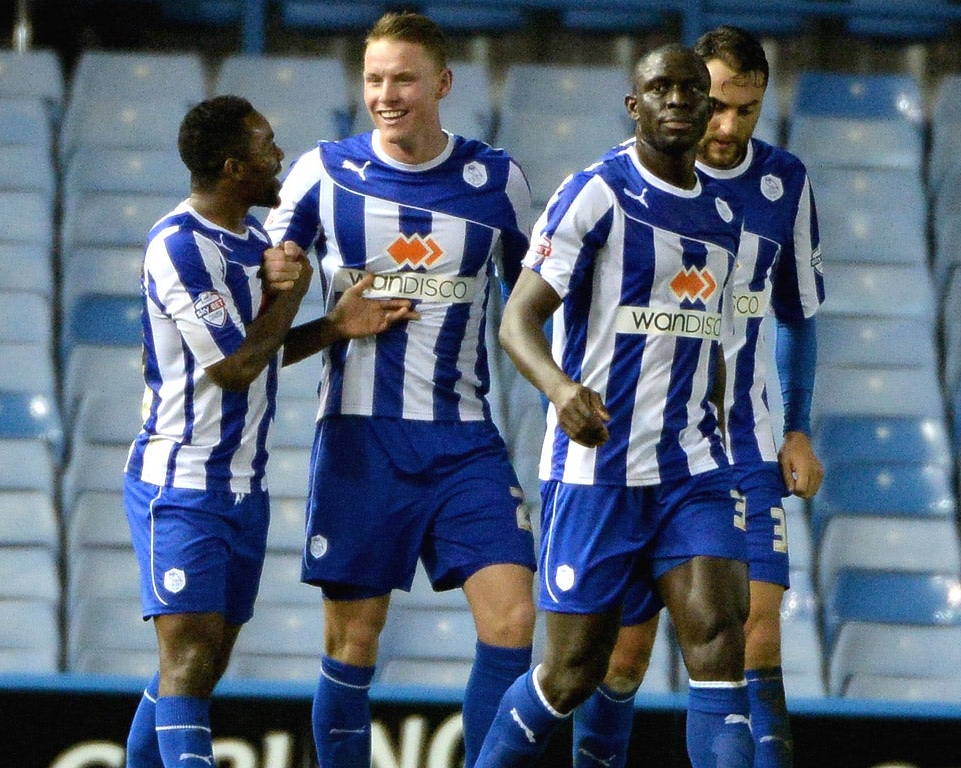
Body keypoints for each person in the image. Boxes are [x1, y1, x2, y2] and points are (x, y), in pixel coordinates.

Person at [262, 12, 538, 768]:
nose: (386, 95)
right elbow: (260, 337)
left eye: (404, 78)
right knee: (354, 640)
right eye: (375, 79)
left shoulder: (494, 179)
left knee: (514, 621)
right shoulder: (322, 174)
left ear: (442, 84)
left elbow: (539, 302)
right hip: (360, 442)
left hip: (466, 443)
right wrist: (323, 318)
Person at [472, 44, 754, 768]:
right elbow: (517, 320)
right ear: (635, 105)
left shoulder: (726, 214)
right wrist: (562, 391)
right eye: (661, 88)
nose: (680, 101)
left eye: (695, 91)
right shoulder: (596, 192)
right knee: (573, 675)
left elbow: (713, 345)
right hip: (597, 470)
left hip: (693, 470)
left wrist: (722, 435)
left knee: (721, 646)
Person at [122, 94, 415, 768]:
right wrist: (288, 293)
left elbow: (264, 346)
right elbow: (234, 367)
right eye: (266, 144)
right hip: (181, 484)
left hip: (241, 490)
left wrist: (333, 326)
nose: (279, 154)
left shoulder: (254, 244)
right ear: (234, 168)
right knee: (189, 657)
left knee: (202, 661)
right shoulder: (178, 247)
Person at [569, 26, 826, 768]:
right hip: (641, 447)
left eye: (746, 110)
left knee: (756, 636)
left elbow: (798, 317)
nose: (727, 126)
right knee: (620, 657)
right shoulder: (627, 182)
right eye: (715, 105)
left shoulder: (785, 184)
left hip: (742, 447)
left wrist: (798, 428)